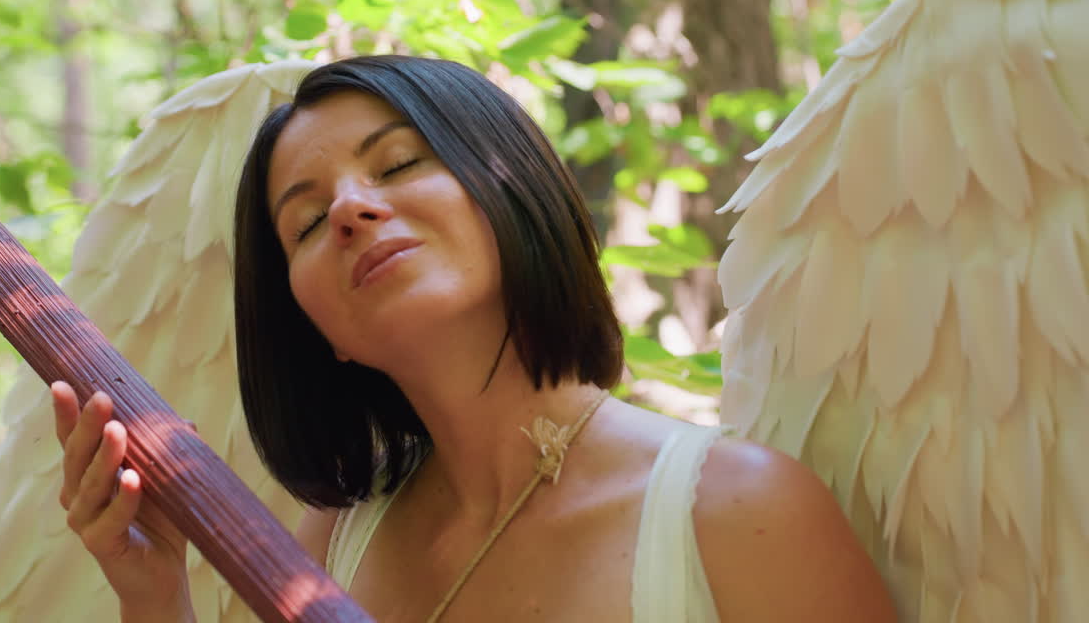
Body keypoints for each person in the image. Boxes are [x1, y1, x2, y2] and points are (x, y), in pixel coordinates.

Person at [51, 55, 897, 622]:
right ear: (317, 330)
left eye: (398, 164)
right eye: (305, 223)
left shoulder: (737, 509)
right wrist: (155, 596)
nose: (350, 209)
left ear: (513, 188)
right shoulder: (329, 547)